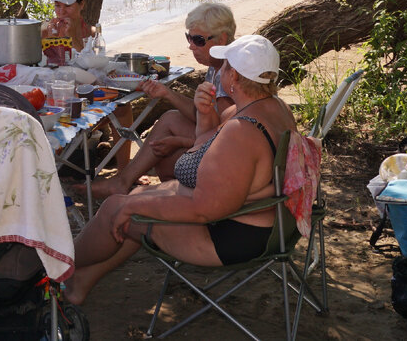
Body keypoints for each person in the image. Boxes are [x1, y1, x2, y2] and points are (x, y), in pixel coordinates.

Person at [65, 35, 296, 305]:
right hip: (264, 222)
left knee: (119, 208)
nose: (219, 70)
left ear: (233, 77)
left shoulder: (243, 130)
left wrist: (131, 207)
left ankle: (58, 268)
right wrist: (205, 113)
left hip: (229, 237)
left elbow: (204, 209)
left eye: (224, 67)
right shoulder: (272, 108)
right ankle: (80, 282)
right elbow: (207, 146)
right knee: (137, 196)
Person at [88, 2, 237, 199]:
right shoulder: (216, 65)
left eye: (198, 40)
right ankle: (124, 182)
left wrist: (179, 141)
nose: (191, 46)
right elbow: (202, 114)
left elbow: (227, 134)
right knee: (169, 118)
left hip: (229, 153)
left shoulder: (231, 73)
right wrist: (166, 93)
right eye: (189, 37)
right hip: (217, 138)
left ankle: (180, 199)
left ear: (223, 38)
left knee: (166, 159)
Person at [41, 0, 94, 65]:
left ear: (81, 5)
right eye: (57, 6)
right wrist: (51, 41)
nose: (62, 12)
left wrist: (72, 38)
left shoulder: (91, 32)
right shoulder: (45, 31)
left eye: (68, 6)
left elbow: (90, 65)